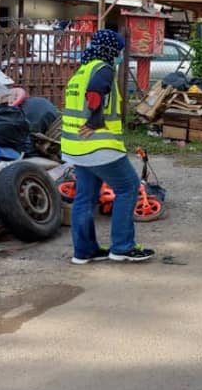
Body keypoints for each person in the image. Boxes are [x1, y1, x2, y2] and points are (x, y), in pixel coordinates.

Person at [62, 29, 154, 263]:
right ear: (110, 49)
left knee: (85, 197)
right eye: (119, 50)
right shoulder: (102, 68)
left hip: (77, 147)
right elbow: (95, 93)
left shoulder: (82, 69)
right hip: (100, 146)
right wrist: (95, 120)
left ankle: (84, 251)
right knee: (128, 187)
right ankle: (122, 247)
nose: (120, 55)